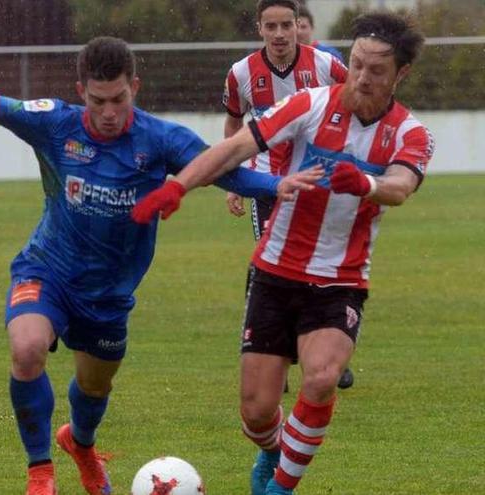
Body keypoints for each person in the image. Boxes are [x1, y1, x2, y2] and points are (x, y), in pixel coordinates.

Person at [0, 37, 321, 495]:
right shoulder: (55, 123)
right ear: (81, 90)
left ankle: (80, 446)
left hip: (108, 295)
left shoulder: (160, 140)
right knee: (26, 350)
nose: (108, 112)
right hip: (48, 269)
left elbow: (223, 171)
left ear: (134, 88)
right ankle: (40, 472)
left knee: (93, 388)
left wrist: (276, 185)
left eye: (118, 99)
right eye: (98, 100)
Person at [133, 11, 432, 495]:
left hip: (340, 280)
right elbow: (235, 148)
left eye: (376, 70)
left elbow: (400, 186)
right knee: (255, 413)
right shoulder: (310, 104)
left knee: (321, 378)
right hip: (275, 272)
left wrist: (368, 183)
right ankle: (272, 451)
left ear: (400, 74)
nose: (361, 77)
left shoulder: (410, 132)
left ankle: (279, 487)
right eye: (356, 64)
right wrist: (180, 186)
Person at [222, 0, 355, 390]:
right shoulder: (241, 73)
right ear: (259, 28)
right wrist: (232, 178)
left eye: (286, 25)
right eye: (271, 26)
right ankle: (268, 357)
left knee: (323, 268)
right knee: (269, 267)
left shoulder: (327, 66)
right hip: (266, 185)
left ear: (299, 26)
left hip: (318, 182)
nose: (280, 34)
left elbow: (356, 104)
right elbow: (233, 121)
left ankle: (328, 353)